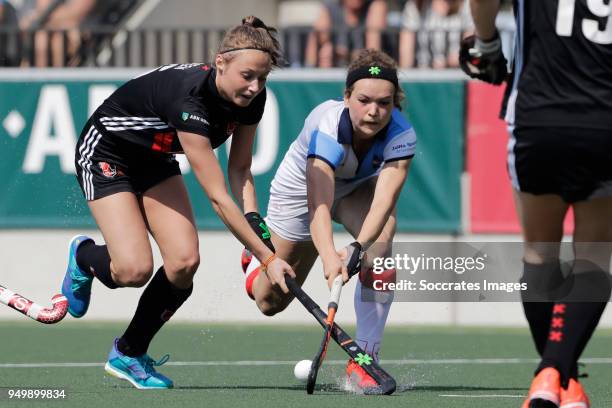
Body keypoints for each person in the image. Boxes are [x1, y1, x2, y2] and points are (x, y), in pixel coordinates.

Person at [61, 15, 296, 389]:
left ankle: (129, 352)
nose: (254, 87)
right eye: (247, 76)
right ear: (221, 62)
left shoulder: (252, 99)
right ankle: (85, 257)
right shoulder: (191, 102)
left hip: (154, 157)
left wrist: (255, 221)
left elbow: (241, 170)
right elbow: (218, 198)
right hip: (107, 152)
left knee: (184, 263)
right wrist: (267, 258)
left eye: (263, 78)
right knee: (133, 270)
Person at [460, 1, 612, 407]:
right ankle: (558, 374)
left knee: (539, 253)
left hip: (538, 116)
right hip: (604, 120)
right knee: (594, 259)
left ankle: (551, 374)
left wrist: (489, 44)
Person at [241, 48, 416, 389]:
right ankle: (252, 263)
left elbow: (383, 204)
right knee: (269, 301)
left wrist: (356, 248)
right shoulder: (328, 124)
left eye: (385, 102)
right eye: (364, 100)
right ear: (347, 96)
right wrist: (328, 257)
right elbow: (318, 202)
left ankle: (365, 359)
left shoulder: (401, 135)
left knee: (381, 243)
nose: (374, 111)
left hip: (354, 191)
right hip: (301, 197)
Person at [305, 0, 387, 67]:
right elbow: (319, 38)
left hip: (365, 67)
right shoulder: (329, 7)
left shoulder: (375, 5)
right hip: (337, 63)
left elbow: (373, 51)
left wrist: (351, 56)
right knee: (326, 51)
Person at [399, 0, 472, 69]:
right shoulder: (414, 6)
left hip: (457, 76)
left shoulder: (467, 5)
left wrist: (458, 59)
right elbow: (406, 58)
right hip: (423, 76)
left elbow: (470, 51)